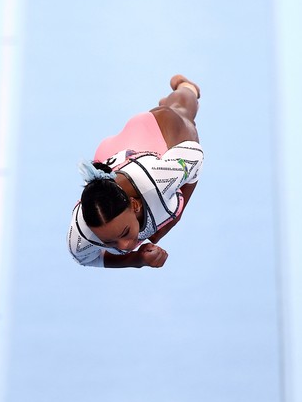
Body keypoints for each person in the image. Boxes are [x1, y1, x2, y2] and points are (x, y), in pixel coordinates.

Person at [68, 75, 203, 268]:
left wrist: (174, 218)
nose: (124, 246)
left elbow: (196, 157)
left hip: (154, 129)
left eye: (124, 233)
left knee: (182, 113)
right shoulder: (82, 235)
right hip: (107, 153)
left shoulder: (158, 180)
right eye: (109, 242)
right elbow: (89, 259)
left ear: (135, 204)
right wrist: (136, 260)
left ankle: (186, 87)